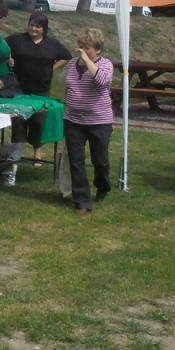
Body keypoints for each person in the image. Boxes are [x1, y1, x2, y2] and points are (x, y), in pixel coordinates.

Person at [6, 10, 72, 161]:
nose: (33, 29)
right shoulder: (17, 39)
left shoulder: (52, 44)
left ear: (44, 29)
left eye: (37, 26)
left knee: (38, 120)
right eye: (31, 25)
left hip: (41, 89)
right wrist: (9, 59)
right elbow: (2, 47)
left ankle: (37, 150)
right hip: (19, 89)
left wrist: (52, 68)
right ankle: (17, 151)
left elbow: (66, 56)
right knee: (19, 119)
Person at [62, 28, 114, 215]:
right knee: (76, 161)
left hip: (99, 121)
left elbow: (101, 81)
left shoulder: (106, 65)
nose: (82, 51)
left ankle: (103, 185)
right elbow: (68, 87)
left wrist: (87, 61)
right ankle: (82, 201)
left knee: (100, 160)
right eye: (81, 46)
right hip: (73, 120)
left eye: (87, 48)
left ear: (98, 49)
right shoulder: (71, 64)